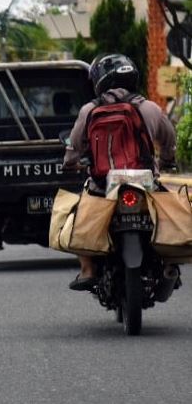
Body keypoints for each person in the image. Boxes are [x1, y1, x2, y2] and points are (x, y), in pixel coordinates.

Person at [62, 53, 176, 291]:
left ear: (99, 81)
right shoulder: (150, 108)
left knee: (77, 214)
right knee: (169, 211)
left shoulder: (89, 111)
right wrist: (167, 161)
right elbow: (169, 139)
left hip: (102, 184)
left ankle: (87, 269)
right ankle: (168, 262)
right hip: (145, 181)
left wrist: (71, 163)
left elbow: (74, 145)